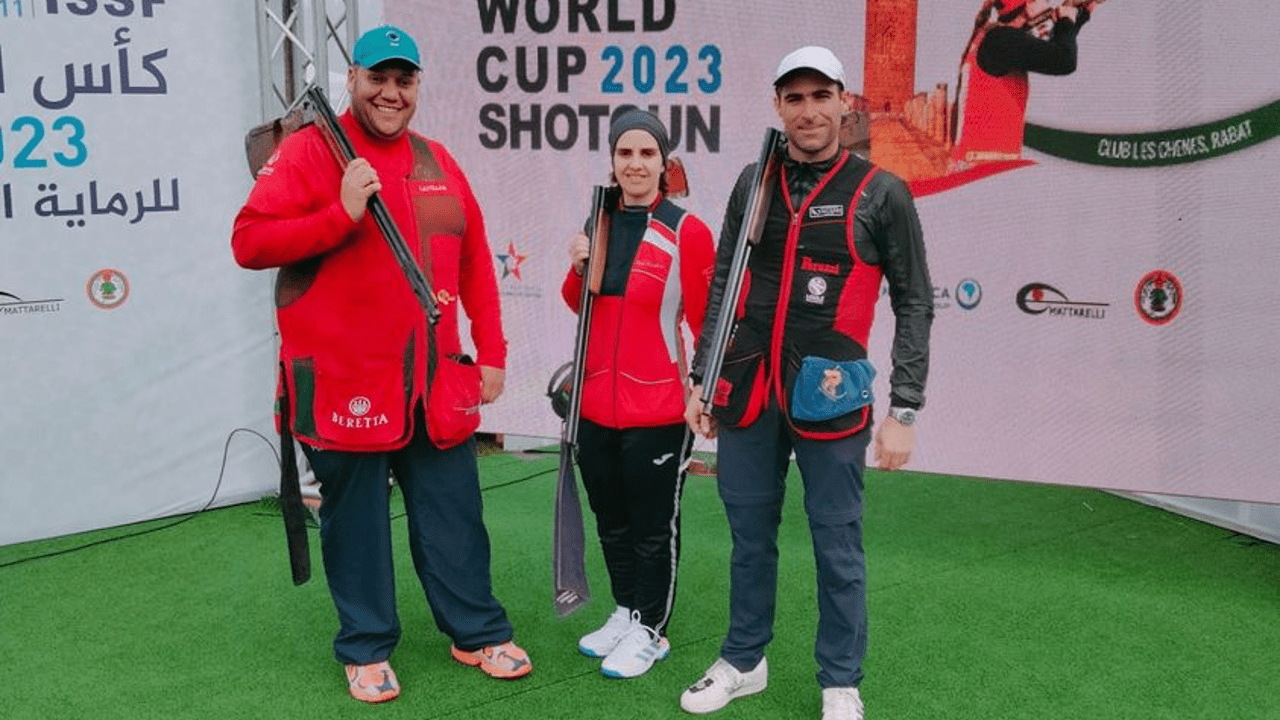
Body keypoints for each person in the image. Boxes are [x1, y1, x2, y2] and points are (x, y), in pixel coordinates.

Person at [231, 25, 531, 704]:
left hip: (434, 382)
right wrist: (339, 213)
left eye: (404, 80)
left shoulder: (439, 160)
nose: (391, 93)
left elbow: (476, 259)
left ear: (417, 86)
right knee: (357, 521)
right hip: (345, 380)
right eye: (378, 78)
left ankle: (476, 631)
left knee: (454, 513)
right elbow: (248, 242)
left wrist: (493, 352)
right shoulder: (310, 152)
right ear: (353, 81)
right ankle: (365, 647)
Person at [680, 46, 933, 720]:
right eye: (794, 98)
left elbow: (915, 301)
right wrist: (702, 377)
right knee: (748, 536)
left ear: (845, 103)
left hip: (832, 395)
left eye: (821, 96)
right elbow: (722, 287)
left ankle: (840, 681)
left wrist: (904, 407)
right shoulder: (752, 181)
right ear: (778, 107)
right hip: (748, 389)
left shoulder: (881, 192)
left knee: (837, 543)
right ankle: (743, 659)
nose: (808, 110)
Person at [560, 108, 715, 679]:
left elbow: (706, 321)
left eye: (646, 153)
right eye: (625, 153)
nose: (635, 164)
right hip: (594, 406)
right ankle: (626, 611)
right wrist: (579, 266)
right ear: (612, 161)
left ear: (664, 163)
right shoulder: (598, 219)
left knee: (653, 527)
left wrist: (706, 392)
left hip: (657, 409)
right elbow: (581, 304)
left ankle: (652, 630)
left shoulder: (686, 230)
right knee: (611, 518)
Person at [951, 0, 1102, 166]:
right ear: (1027, 5)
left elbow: (1049, 47)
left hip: (979, 164)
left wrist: (1079, 16)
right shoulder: (1000, 40)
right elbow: (1064, 60)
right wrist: (1066, 21)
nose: (1047, 5)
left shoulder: (994, 37)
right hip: (983, 167)